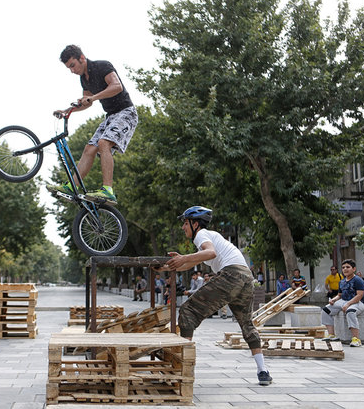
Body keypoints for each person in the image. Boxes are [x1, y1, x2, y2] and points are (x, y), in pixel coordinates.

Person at [162, 206, 272, 386]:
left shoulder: (202, 235)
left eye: (185, 223)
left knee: (188, 311)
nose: (183, 227)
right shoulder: (211, 237)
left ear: (195, 223)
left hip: (231, 275)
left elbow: (210, 253)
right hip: (246, 277)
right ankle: (263, 371)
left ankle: (181, 367)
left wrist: (184, 257)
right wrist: (167, 266)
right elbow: (188, 264)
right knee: (247, 324)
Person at [47, 45, 139, 203]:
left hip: (126, 113)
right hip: (111, 116)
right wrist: (67, 110)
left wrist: (94, 97)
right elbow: (87, 102)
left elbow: (117, 87)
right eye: (68, 68)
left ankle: (108, 190)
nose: (72, 70)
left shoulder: (102, 66)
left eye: (72, 65)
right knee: (89, 148)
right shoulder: (84, 79)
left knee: (104, 143)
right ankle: (72, 186)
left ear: (81, 58)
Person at [321, 259, 364, 347]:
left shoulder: (358, 280)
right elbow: (339, 295)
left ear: (354, 269)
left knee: (350, 311)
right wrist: (334, 300)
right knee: (325, 310)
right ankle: (331, 335)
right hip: (344, 301)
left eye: (348, 267)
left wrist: (348, 304)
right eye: (343, 267)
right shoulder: (342, 281)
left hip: (358, 302)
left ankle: (356, 339)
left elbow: (360, 295)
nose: (345, 269)